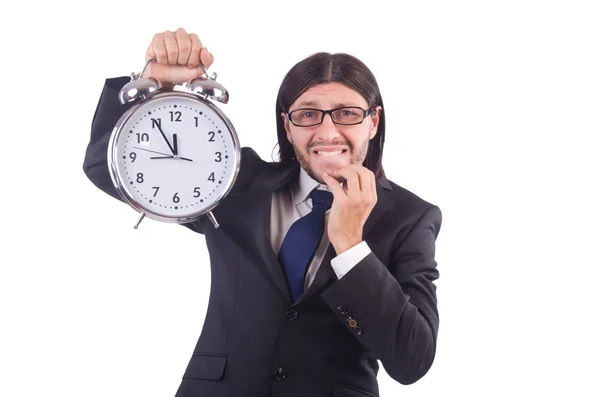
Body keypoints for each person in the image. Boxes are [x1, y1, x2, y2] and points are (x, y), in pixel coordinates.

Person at [83, 28, 443, 397]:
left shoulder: (410, 218)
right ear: (288, 126)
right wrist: (150, 82)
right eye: (308, 114)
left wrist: (350, 245)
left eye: (347, 113)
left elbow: (411, 359)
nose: (327, 131)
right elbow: (105, 166)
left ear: (373, 121)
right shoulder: (235, 180)